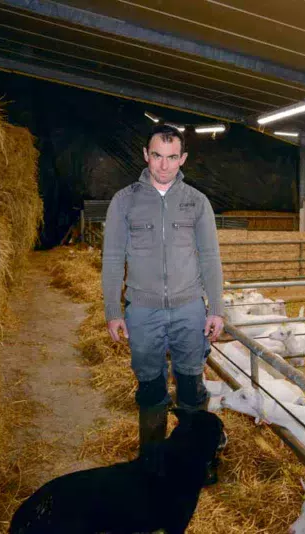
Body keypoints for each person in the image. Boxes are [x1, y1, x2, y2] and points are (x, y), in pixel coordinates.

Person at [101, 124, 224, 468]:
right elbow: (112, 258)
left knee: (190, 387)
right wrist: (113, 309)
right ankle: (153, 464)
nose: (164, 165)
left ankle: (195, 462)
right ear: (146, 155)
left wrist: (216, 307)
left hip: (189, 309)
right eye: (157, 156)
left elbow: (210, 257)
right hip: (142, 311)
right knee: (151, 388)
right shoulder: (124, 202)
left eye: (172, 157)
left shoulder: (196, 203)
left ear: (182, 158)